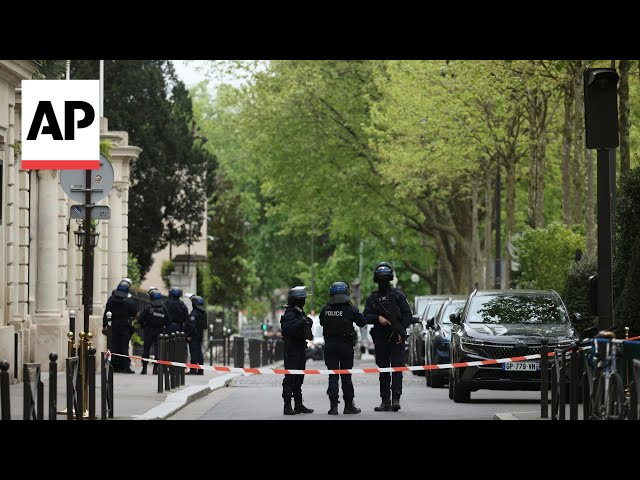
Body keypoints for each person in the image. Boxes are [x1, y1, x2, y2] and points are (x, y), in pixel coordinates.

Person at [363, 262, 412, 412]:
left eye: (385, 278)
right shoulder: (372, 298)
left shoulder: (398, 296)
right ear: (377, 280)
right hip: (380, 337)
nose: (383, 281)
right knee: (384, 369)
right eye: (381, 278)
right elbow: (364, 317)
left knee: (397, 367)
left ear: (390, 278)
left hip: (396, 337)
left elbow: (408, 315)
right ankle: (385, 401)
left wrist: (400, 331)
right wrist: (378, 319)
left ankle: (396, 399)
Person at [319, 281, 367, 415]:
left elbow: (322, 321)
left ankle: (333, 407)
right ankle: (348, 406)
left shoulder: (326, 309)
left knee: (332, 376)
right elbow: (362, 322)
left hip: (330, 346)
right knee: (346, 377)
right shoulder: (350, 308)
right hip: (345, 346)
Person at [280, 286, 314, 415]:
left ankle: (298, 405)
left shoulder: (299, 312)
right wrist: (301, 322)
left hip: (300, 348)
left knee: (299, 377)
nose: (303, 301)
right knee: (290, 378)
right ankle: (287, 406)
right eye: (301, 299)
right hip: (291, 349)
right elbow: (287, 330)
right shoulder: (289, 314)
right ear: (295, 300)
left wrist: (307, 322)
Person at [103, 280, 138, 373]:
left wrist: (104, 326)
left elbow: (106, 313)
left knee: (113, 346)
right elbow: (134, 313)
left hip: (113, 326)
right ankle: (125, 366)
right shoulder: (129, 301)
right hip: (125, 326)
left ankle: (114, 365)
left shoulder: (111, 300)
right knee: (124, 346)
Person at [139, 288, 171, 375]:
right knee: (158, 350)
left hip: (148, 330)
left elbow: (140, 319)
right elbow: (169, 321)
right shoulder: (163, 308)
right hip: (159, 331)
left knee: (146, 350)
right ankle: (155, 368)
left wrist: (144, 326)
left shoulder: (148, 307)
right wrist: (164, 328)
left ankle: (144, 368)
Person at [186, 295, 207, 375]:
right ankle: (201, 370)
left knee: (194, 352)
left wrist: (189, 335)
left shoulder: (194, 314)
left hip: (194, 335)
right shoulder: (203, 313)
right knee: (199, 352)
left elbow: (191, 326)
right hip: (200, 334)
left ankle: (193, 370)